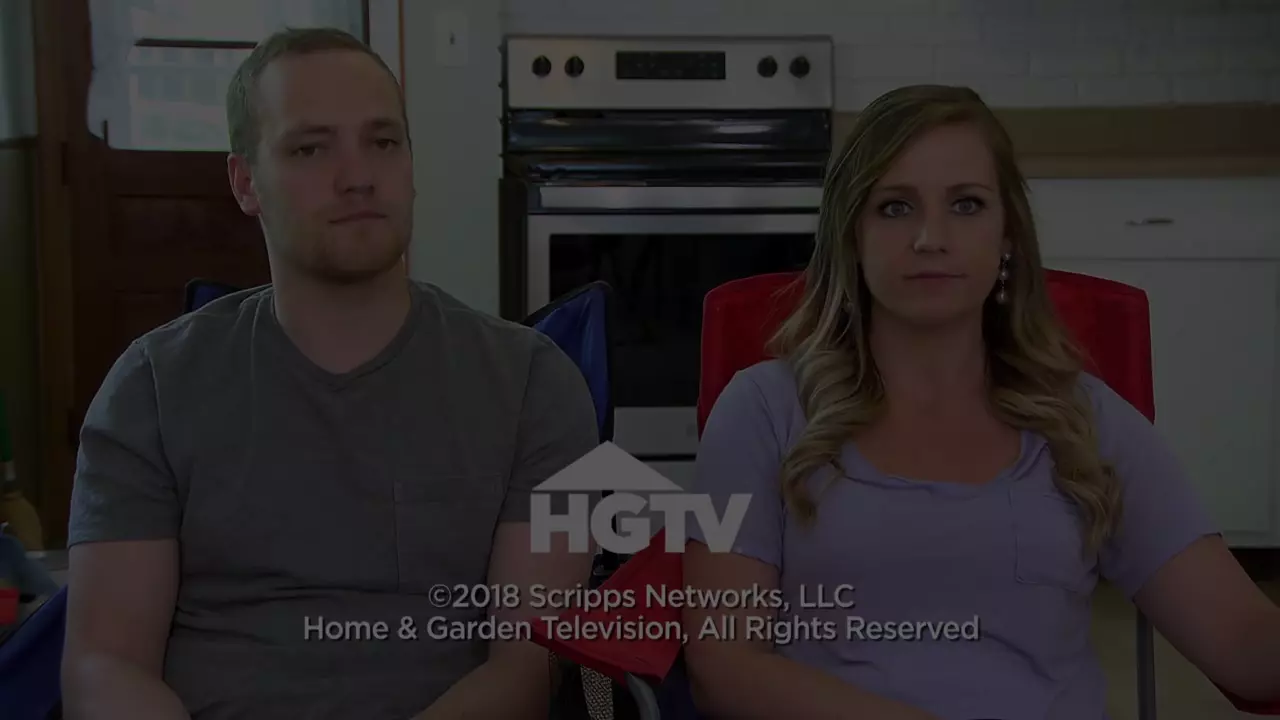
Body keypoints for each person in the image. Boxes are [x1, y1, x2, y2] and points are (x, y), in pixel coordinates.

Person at [682, 84, 1280, 719]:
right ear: (851, 236)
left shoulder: (1085, 420)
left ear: (1008, 235)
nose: (930, 237)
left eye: (966, 204)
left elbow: (1240, 640)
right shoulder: (763, 411)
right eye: (894, 207)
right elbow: (725, 667)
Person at [61, 28, 599, 720]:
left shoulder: (533, 384)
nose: (358, 176)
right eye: (311, 149)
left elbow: (528, 666)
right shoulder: (151, 388)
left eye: (383, 142)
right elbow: (106, 664)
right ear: (245, 183)